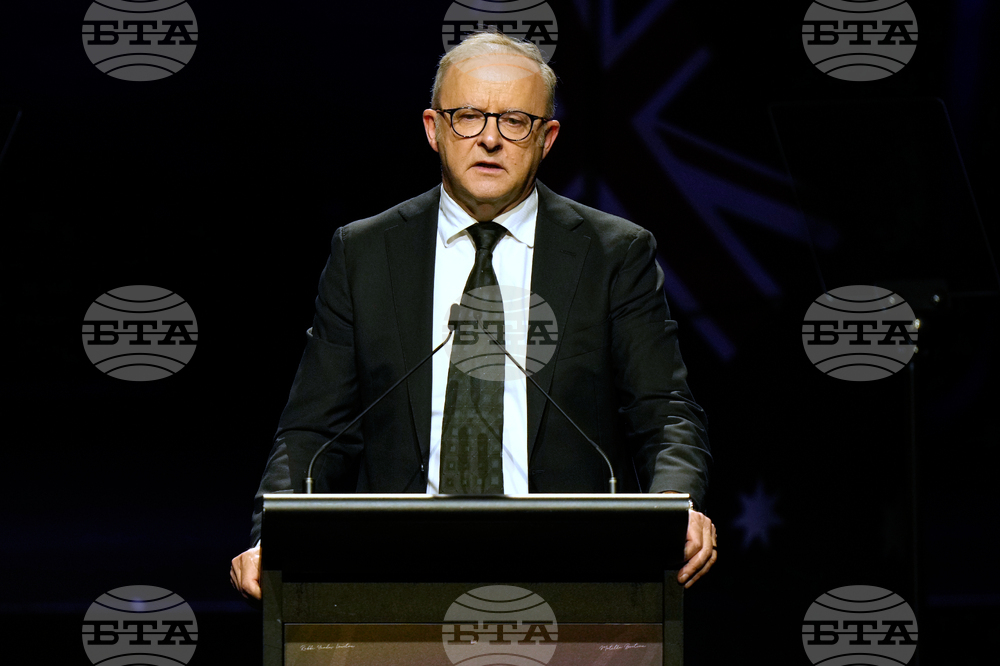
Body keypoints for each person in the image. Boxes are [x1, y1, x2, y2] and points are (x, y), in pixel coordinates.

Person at [231, 31, 716, 602]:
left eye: (515, 121)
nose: (489, 138)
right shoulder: (365, 253)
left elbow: (664, 412)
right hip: (397, 572)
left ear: (547, 138)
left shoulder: (614, 253)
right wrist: (271, 538)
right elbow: (313, 431)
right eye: (467, 117)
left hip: (572, 571)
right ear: (433, 129)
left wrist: (672, 507)